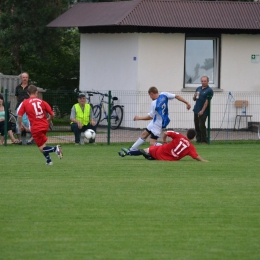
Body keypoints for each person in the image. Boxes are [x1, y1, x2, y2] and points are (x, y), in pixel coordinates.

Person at [119, 86, 191, 156]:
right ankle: (132, 149)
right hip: (158, 120)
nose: (150, 98)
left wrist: (139, 118)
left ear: (151, 94)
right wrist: (187, 103)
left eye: (150, 96)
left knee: (152, 144)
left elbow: (150, 117)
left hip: (158, 124)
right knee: (144, 134)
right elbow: (177, 96)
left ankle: (168, 147)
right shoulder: (164, 94)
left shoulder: (154, 103)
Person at [17, 85, 63, 165]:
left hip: (36, 127)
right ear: (36, 92)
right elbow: (52, 114)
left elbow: (19, 115)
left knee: (41, 148)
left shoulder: (25, 103)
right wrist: (49, 120)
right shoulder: (42, 102)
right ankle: (49, 161)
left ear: (28, 93)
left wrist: (20, 125)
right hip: (45, 125)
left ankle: (55, 149)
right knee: (43, 145)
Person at [119, 129, 208, 162]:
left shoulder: (179, 135)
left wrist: (165, 140)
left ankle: (129, 152)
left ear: (187, 133)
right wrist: (204, 161)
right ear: (193, 138)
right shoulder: (190, 147)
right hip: (170, 159)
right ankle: (150, 157)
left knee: (148, 149)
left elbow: (165, 132)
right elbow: (196, 156)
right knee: (155, 147)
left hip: (162, 151)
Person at [193, 76, 214, 144]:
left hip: (203, 111)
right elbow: (194, 99)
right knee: (196, 125)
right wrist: (195, 96)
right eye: (202, 81)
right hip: (196, 109)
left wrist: (202, 111)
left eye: (205, 81)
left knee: (201, 125)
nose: (203, 82)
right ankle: (198, 139)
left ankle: (204, 140)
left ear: (208, 81)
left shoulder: (209, 90)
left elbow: (207, 101)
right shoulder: (198, 88)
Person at [15, 72, 30, 144]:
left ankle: (28, 140)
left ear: (28, 78)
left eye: (26, 77)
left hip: (28, 108)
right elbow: (16, 97)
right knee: (19, 123)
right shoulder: (17, 87)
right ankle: (20, 140)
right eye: (23, 77)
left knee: (28, 123)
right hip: (19, 107)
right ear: (21, 78)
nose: (25, 79)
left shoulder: (30, 87)